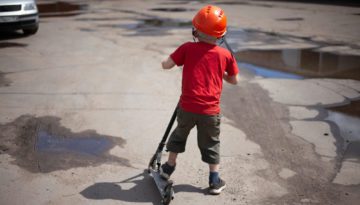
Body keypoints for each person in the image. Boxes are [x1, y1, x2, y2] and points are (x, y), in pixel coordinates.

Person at [160, 5, 239, 195]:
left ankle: (168, 168)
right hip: (210, 112)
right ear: (221, 34)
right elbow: (235, 80)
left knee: (179, 135)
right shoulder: (225, 55)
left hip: (187, 107)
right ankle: (214, 180)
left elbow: (166, 65)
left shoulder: (187, 47)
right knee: (211, 142)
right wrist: (221, 75)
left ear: (196, 29)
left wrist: (174, 61)